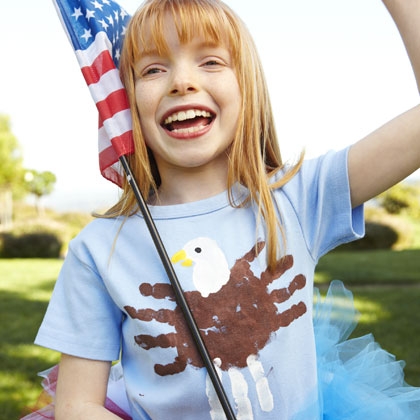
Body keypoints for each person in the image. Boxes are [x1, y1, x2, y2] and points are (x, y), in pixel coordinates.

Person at [29, 0, 420, 419]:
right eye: (153, 69)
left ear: (247, 87)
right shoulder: (99, 250)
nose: (181, 81)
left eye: (211, 61)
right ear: (126, 106)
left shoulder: (298, 198)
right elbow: (77, 405)